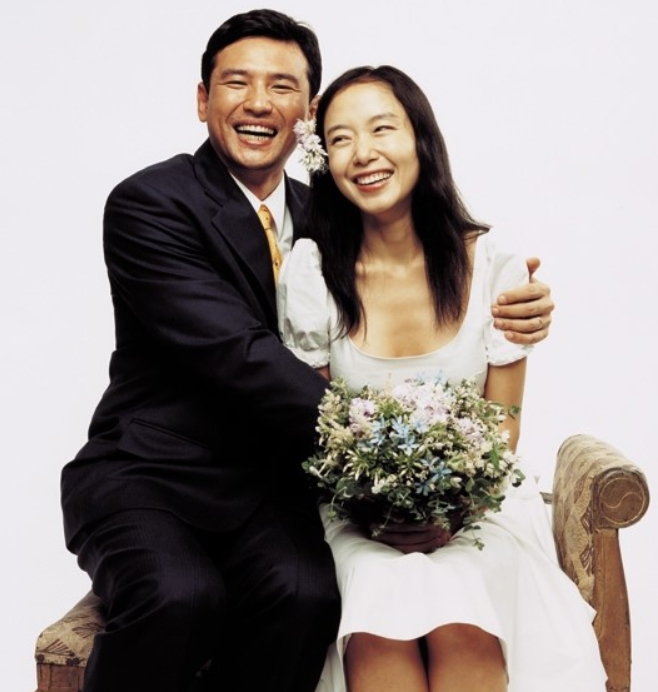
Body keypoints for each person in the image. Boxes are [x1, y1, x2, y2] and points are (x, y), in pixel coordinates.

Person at [60, 10, 555, 692]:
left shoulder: (333, 216)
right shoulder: (151, 203)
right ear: (203, 99)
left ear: (308, 115)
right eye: (237, 83)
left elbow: (423, 256)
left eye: (282, 86)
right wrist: (397, 460)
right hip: (153, 474)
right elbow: (238, 353)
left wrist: (515, 305)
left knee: (305, 596)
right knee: (181, 595)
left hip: (269, 491)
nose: (259, 102)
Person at [277, 66, 606, 691]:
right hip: (357, 516)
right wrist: (377, 510)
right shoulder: (314, 272)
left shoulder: (494, 265)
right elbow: (313, 425)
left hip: (479, 509)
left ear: (421, 140)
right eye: (341, 138)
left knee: (462, 606)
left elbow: (502, 427)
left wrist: (450, 511)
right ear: (324, 160)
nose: (363, 153)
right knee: (378, 599)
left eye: (382, 129)